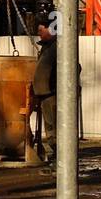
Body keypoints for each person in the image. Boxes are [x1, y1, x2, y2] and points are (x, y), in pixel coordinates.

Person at [31, 24, 58, 164]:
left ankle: (60, 154)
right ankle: (56, 152)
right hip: (45, 93)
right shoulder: (47, 47)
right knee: (50, 126)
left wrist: (54, 87)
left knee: (54, 125)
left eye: (42, 29)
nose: (38, 32)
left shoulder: (58, 47)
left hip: (52, 94)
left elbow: (75, 67)